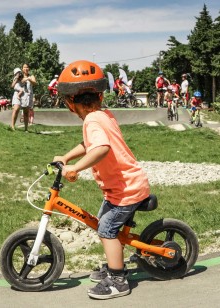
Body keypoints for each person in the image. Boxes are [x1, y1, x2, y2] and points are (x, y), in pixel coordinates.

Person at [53, 60, 150, 300]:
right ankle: (115, 263)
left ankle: (118, 279)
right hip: (122, 187)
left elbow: (101, 148)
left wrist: (75, 167)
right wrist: (66, 156)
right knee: (104, 224)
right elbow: (89, 144)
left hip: (126, 190)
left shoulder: (92, 120)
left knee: (107, 229)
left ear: (71, 103)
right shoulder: (102, 115)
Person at [10, 64, 36, 131]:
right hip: (18, 94)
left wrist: (29, 79)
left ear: (29, 68)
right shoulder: (18, 75)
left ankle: (26, 129)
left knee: (26, 112)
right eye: (24, 67)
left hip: (26, 95)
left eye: (27, 67)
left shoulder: (31, 76)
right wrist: (18, 78)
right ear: (22, 68)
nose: (26, 68)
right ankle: (12, 126)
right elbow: (13, 85)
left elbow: (35, 83)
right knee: (16, 109)